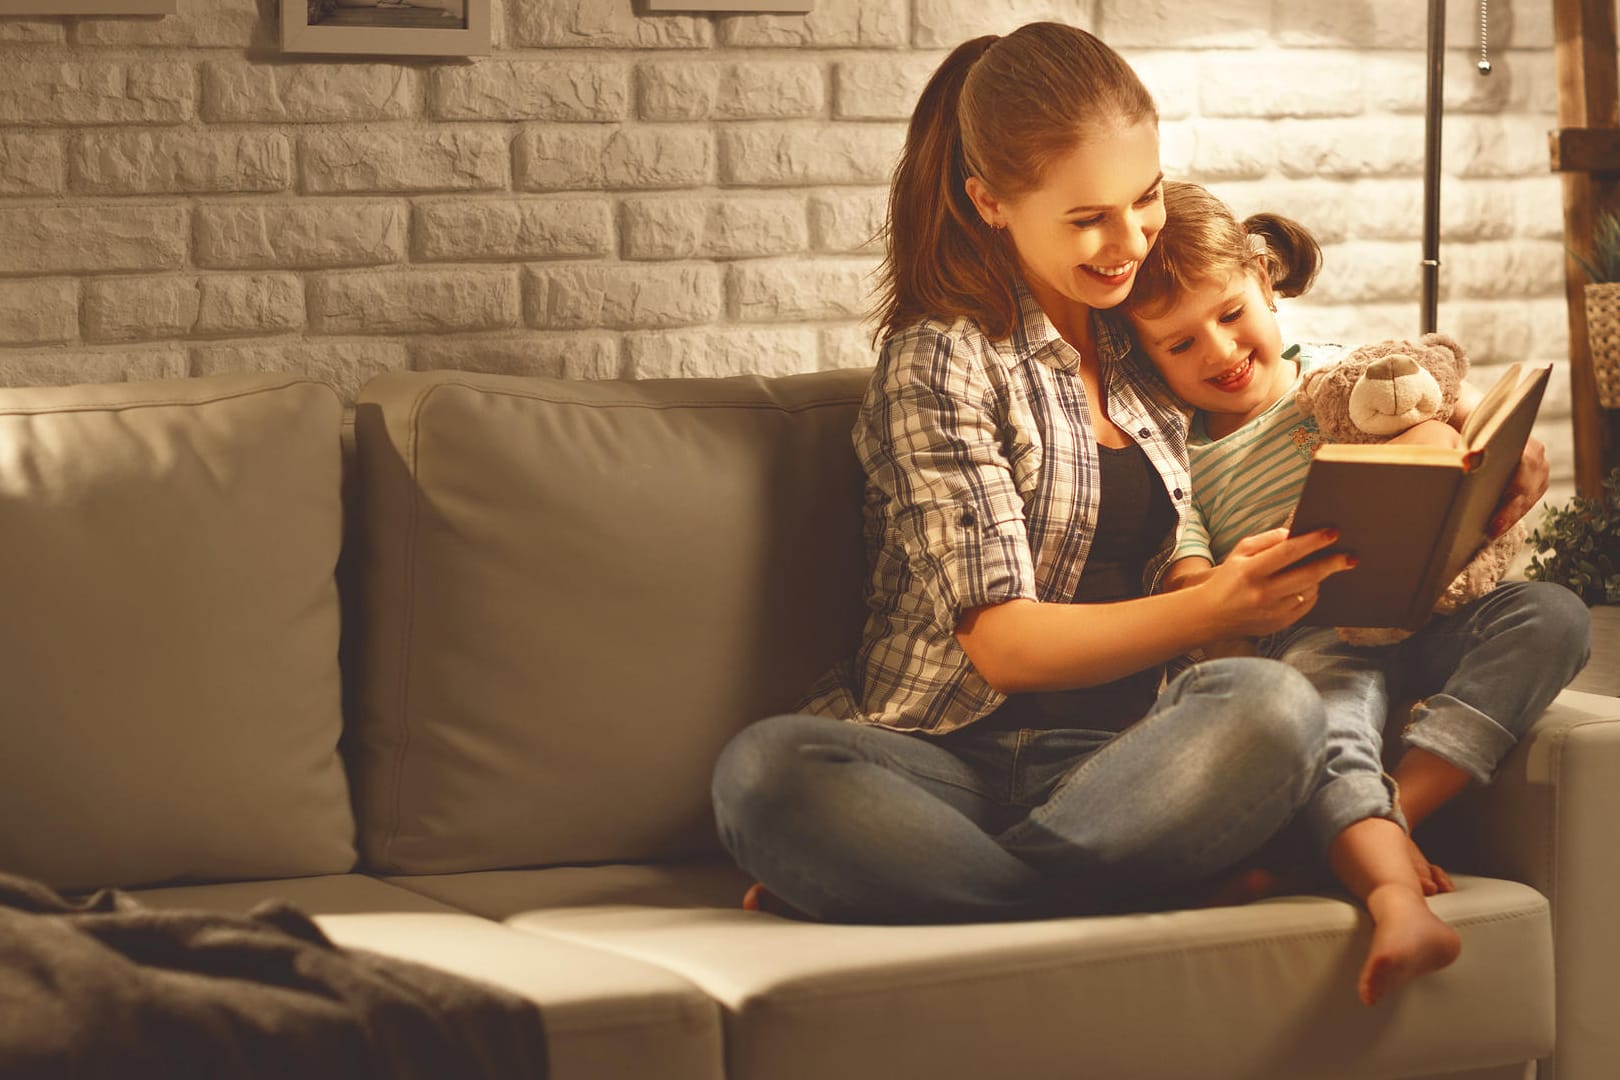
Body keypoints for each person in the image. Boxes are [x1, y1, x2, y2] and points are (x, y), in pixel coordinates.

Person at [712, 22, 1352, 960]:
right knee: (767, 773)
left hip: (1124, 763)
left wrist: (1445, 445)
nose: (1129, 239)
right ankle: (1113, 898)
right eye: (1088, 218)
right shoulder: (941, 360)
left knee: (1275, 707)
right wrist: (1207, 606)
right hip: (941, 760)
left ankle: (951, 890)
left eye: (1145, 199)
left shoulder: (1141, 338)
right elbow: (1004, 644)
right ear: (991, 201)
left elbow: (1286, 387)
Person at [1122, 179, 1592, 1002]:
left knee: (1552, 615)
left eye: (1231, 314)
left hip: (1432, 608)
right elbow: (1193, 582)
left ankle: (1391, 815)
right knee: (1325, 717)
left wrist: (1509, 454)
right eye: (1179, 344)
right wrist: (1235, 585)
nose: (1220, 352)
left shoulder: (1339, 374)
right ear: (1145, 356)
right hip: (1317, 633)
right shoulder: (1177, 457)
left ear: (1266, 283)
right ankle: (1394, 897)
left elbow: (1447, 413)